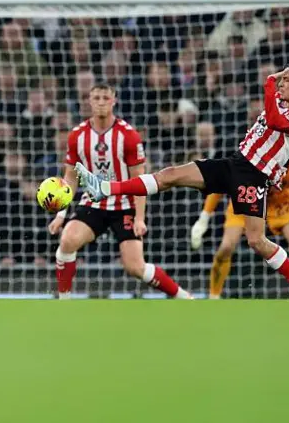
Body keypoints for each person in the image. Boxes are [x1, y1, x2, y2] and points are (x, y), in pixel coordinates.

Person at [76, 63, 289, 299]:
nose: (281, 82)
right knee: (170, 175)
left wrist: (269, 83)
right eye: (281, 78)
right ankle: (104, 188)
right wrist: (280, 79)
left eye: (287, 80)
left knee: (256, 240)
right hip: (234, 164)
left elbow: (277, 122)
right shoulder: (279, 100)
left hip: (254, 177)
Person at [49, 83, 191, 299]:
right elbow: (70, 178)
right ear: (89, 101)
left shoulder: (129, 135)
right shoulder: (77, 136)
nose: (101, 102)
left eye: (105, 98)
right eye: (96, 98)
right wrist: (61, 214)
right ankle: (64, 299)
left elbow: (140, 180)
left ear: (114, 100)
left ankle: (184, 297)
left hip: (124, 205)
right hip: (93, 203)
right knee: (67, 240)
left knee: (135, 267)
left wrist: (140, 218)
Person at [192, 159, 289, 299]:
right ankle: (214, 295)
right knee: (226, 246)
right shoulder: (245, 163)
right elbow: (219, 188)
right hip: (247, 201)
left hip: (279, 203)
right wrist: (203, 219)